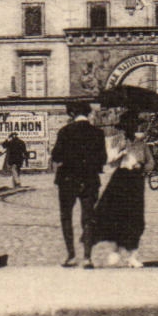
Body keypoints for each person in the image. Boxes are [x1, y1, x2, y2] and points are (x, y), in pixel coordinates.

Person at [94, 111, 155, 267]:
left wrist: (142, 166)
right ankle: (115, 251)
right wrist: (120, 152)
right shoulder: (117, 142)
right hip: (120, 180)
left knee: (135, 218)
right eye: (127, 127)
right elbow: (110, 162)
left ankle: (133, 256)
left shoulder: (142, 145)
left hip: (136, 181)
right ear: (123, 128)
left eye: (133, 126)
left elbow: (151, 163)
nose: (130, 129)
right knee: (117, 215)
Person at [51, 101, 107, 267]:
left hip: (67, 180)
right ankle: (87, 258)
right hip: (89, 180)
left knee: (66, 216)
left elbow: (56, 155)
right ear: (88, 114)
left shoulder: (65, 131)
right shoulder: (98, 133)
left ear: (71, 114)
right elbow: (103, 159)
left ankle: (71, 256)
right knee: (88, 218)